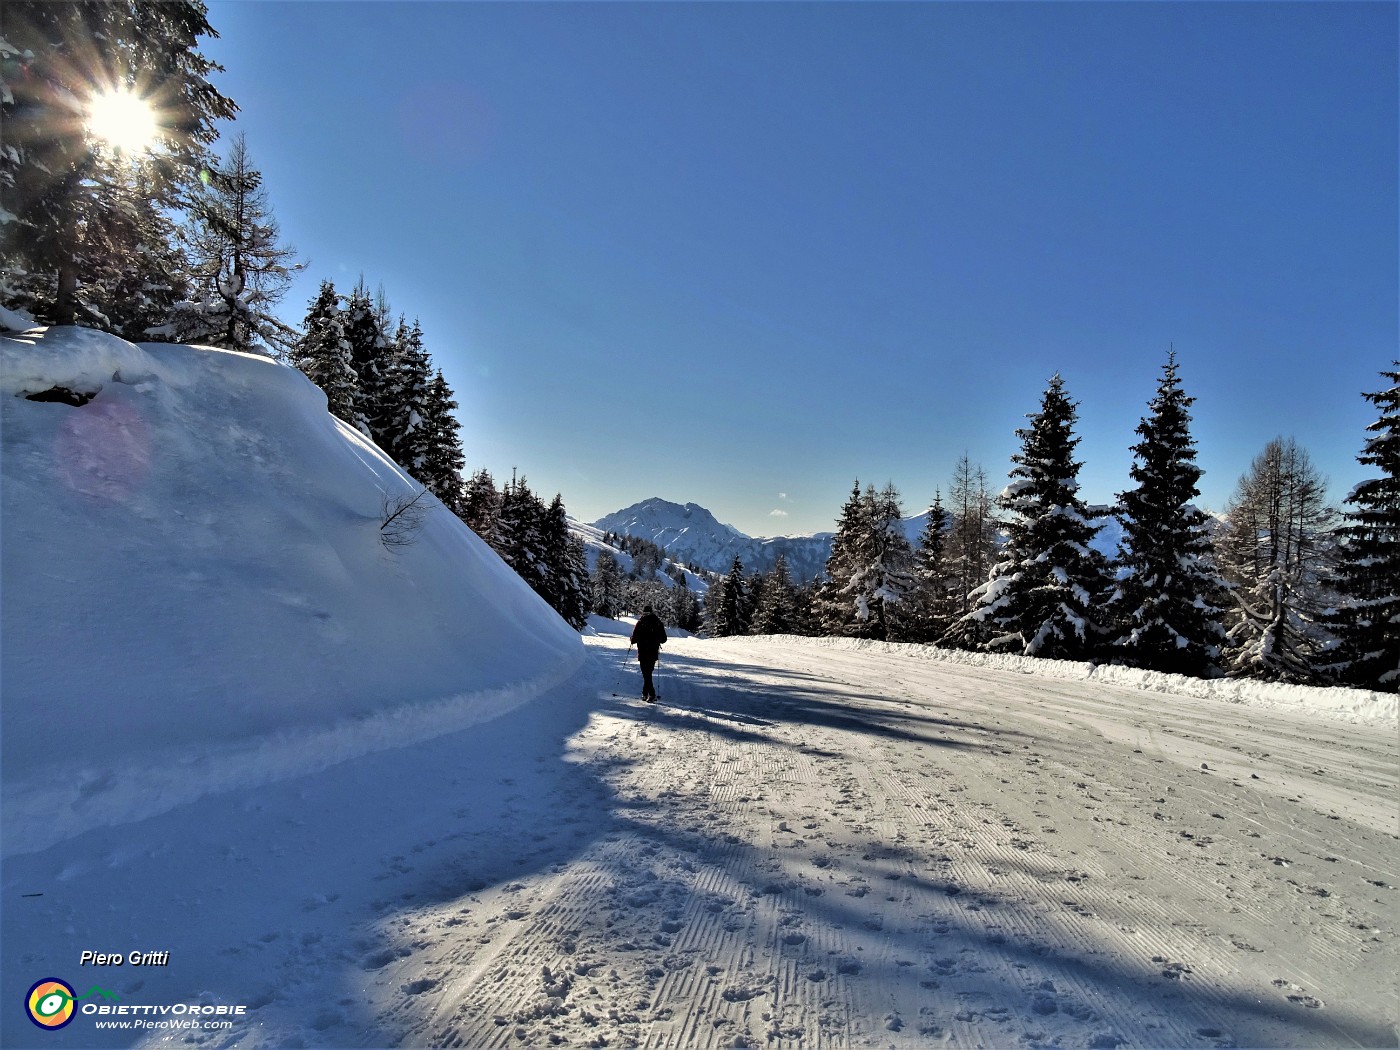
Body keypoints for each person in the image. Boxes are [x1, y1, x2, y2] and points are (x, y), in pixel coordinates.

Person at [629, 604, 668, 703]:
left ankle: (651, 694)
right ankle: (645, 693)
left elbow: (633, 639)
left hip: (642, 652)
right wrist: (656, 640)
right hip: (653, 652)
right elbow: (664, 639)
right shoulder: (658, 623)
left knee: (646, 674)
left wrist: (634, 639)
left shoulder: (640, 623)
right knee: (648, 673)